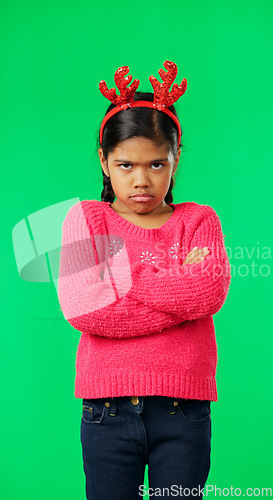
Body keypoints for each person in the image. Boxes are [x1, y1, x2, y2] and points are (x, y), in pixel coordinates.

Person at [58, 61, 231, 500]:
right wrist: (175, 280)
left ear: (175, 157)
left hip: (183, 410)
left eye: (157, 163)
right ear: (103, 160)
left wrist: (120, 278)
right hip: (107, 413)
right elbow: (85, 307)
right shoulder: (85, 219)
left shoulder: (199, 219)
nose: (141, 180)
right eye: (125, 165)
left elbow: (208, 291)